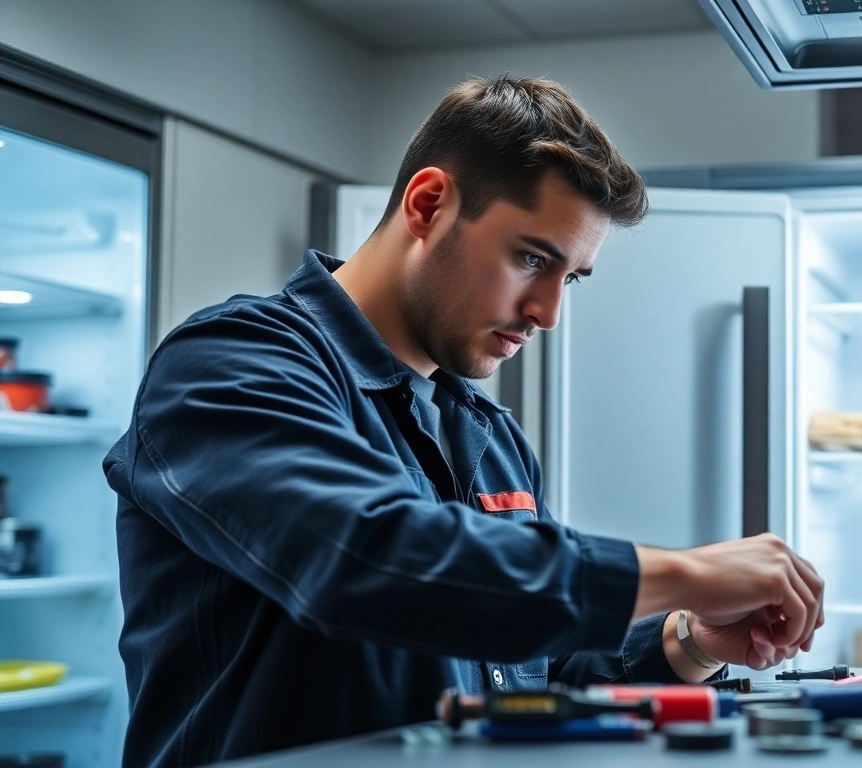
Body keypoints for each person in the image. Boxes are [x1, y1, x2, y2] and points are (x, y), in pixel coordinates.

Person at [104, 74, 824, 768]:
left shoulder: (487, 434)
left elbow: (530, 681)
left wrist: (691, 639)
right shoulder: (233, 363)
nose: (548, 312)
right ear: (427, 204)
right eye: (530, 258)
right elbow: (367, 558)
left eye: (568, 277)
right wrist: (688, 573)